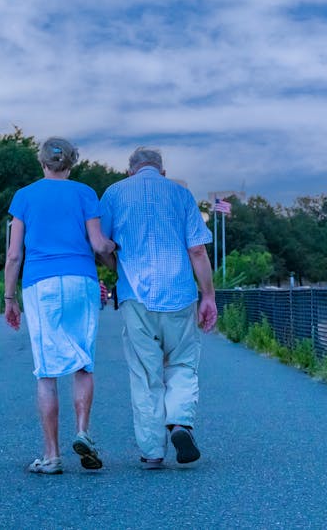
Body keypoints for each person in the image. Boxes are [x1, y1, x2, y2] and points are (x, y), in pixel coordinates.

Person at [4, 137, 116, 475]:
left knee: (47, 370)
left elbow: (13, 254)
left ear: (41, 162)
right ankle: (83, 431)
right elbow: (98, 244)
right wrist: (114, 245)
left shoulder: (24, 196)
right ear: (71, 162)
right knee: (83, 361)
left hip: (41, 284)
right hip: (81, 280)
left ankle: (51, 457)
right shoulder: (84, 193)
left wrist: (9, 298)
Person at [100, 147, 217, 469]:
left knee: (145, 374)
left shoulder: (113, 194)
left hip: (135, 295)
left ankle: (152, 452)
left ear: (130, 171)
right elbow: (197, 251)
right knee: (182, 364)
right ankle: (180, 423)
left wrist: (116, 265)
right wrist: (208, 295)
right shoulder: (181, 194)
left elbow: (101, 244)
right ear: (162, 171)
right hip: (179, 294)